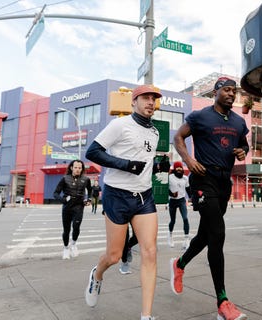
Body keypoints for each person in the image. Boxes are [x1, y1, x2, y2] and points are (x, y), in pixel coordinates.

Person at [170, 77, 249, 320]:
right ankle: (223, 302)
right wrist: (189, 160)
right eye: (226, 90)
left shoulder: (237, 121)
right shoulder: (200, 116)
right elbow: (178, 137)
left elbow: (244, 147)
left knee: (206, 235)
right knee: (218, 233)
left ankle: (179, 264)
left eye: (233, 91)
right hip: (203, 180)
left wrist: (241, 152)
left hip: (224, 183)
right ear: (215, 93)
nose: (231, 94)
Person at [84, 84, 163, 320]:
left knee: (150, 252)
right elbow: (93, 152)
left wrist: (158, 167)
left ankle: (146, 316)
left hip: (144, 197)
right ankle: (96, 275)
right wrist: (125, 164)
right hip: (117, 195)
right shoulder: (120, 124)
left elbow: (145, 163)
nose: (151, 102)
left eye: (154, 99)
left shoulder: (155, 132)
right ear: (134, 101)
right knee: (114, 256)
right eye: (146, 98)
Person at [53, 160, 92, 260]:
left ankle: (73, 244)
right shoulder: (65, 179)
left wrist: (89, 199)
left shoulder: (86, 179)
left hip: (79, 207)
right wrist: (63, 200)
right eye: (76, 167)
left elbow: (90, 191)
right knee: (66, 230)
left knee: (76, 226)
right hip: (67, 208)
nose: (78, 169)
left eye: (80, 168)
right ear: (71, 168)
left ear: (82, 169)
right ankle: (66, 248)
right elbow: (56, 193)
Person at [167, 161, 192, 249]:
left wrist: (191, 197)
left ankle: (186, 240)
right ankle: (170, 236)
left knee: (185, 218)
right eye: (177, 168)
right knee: (172, 220)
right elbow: (166, 189)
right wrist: (171, 194)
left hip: (182, 200)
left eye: (180, 168)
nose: (179, 169)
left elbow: (188, 189)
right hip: (173, 201)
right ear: (174, 169)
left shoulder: (185, 178)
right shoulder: (170, 177)